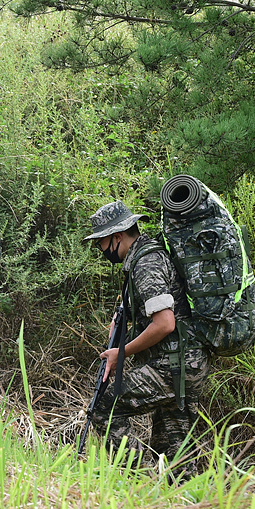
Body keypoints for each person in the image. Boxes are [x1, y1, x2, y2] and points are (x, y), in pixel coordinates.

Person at [83, 201, 207, 470]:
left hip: (174, 366)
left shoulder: (146, 263)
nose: (101, 250)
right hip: (183, 364)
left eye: (101, 243)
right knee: (174, 446)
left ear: (117, 236)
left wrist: (123, 352)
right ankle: (187, 503)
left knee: (105, 408)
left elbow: (164, 324)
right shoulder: (144, 258)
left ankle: (136, 478)